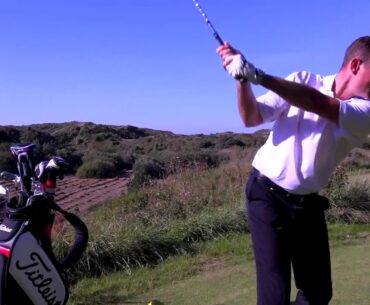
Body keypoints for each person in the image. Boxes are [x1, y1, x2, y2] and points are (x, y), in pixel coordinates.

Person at [217, 36, 370, 305]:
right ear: (356, 65)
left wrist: (257, 75)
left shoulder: (365, 110)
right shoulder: (302, 79)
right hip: (266, 194)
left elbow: (317, 103)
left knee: (318, 293)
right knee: (274, 295)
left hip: (307, 204)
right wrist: (242, 79)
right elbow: (251, 117)